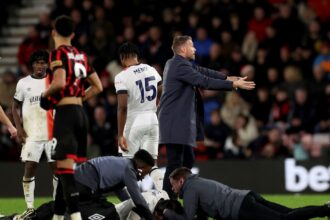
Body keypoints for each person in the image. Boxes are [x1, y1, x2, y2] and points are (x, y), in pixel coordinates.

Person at [158, 35, 256, 198]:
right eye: (191, 46)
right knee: (175, 164)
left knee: (187, 161)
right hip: (173, 121)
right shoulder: (178, 65)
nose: (195, 49)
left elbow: (203, 71)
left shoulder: (179, 63)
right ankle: (167, 201)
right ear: (183, 49)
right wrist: (232, 85)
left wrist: (226, 77)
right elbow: (203, 81)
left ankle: (179, 194)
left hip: (179, 122)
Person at [40, 15, 102, 220]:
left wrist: (44, 95)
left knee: (66, 173)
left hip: (66, 116)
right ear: (73, 34)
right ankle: (58, 217)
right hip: (81, 115)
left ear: (53, 32)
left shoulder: (57, 53)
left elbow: (58, 82)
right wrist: (79, 98)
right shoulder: (81, 55)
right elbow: (98, 86)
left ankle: (75, 217)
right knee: (63, 169)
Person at [164, 167, 330, 220]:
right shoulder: (197, 183)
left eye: (173, 185)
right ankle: (325, 209)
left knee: (284, 219)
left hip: (241, 207)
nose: (172, 189)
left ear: (181, 181)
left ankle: (325, 210)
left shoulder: (190, 189)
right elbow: (201, 216)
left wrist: (167, 213)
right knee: (287, 213)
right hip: (246, 197)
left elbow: (187, 218)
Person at [12, 50, 57, 220]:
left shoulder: (53, 81)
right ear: (32, 64)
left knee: (57, 170)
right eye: (37, 62)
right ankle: (30, 207)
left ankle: (56, 206)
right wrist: (19, 127)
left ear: (47, 64)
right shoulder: (23, 83)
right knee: (30, 166)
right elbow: (14, 106)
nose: (40, 65)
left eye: (43, 62)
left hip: (53, 133)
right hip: (32, 134)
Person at [74, 149, 161, 220]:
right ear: (141, 167)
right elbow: (138, 199)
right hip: (84, 184)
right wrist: (150, 217)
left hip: (83, 181)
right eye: (145, 173)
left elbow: (120, 191)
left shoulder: (125, 164)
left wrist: (128, 205)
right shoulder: (129, 169)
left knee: (111, 210)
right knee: (110, 215)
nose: (142, 178)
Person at [114, 42, 162, 159]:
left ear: (122, 58)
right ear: (137, 55)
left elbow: (123, 107)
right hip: (152, 119)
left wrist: (120, 135)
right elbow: (161, 88)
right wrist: (157, 100)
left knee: (129, 163)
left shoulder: (121, 76)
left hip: (133, 121)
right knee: (151, 163)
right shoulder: (151, 69)